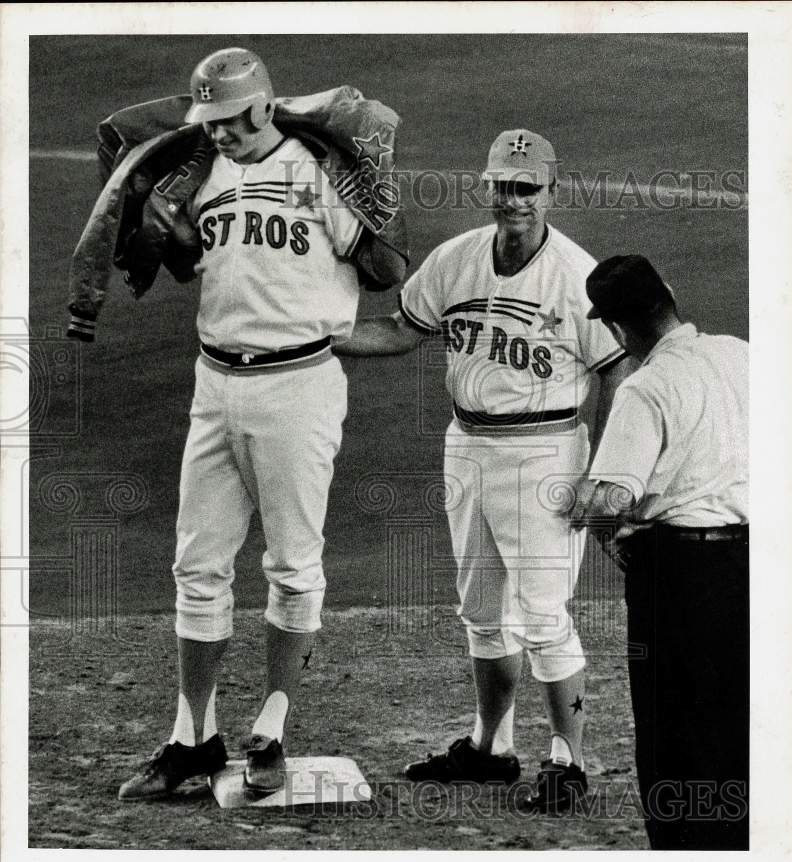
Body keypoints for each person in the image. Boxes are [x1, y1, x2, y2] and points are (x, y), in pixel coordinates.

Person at [335, 129, 636, 811]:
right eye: (503, 186)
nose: (514, 200)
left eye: (527, 188)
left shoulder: (575, 276)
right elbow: (402, 329)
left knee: (542, 614)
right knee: (480, 610)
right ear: (487, 187)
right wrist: (321, 334)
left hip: (547, 454)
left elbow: (621, 368)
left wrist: (606, 471)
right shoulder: (457, 259)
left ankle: (569, 762)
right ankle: (489, 748)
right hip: (467, 445)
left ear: (551, 192)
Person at [119, 48, 371, 800]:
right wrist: (162, 229)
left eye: (229, 120)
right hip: (214, 381)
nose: (218, 133)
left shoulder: (320, 171)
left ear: (263, 108)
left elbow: (383, 264)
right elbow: (191, 263)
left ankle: (272, 730)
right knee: (197, 566)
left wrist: (367, 213)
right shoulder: (202, 172)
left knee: (293, 565)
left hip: (299, 383)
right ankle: (190, 737)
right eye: (209, 122)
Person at [568, 254, 749, 849]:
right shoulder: (742, 354)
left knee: (675, 724)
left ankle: (689, 857)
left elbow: (613, 495)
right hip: (758, 563)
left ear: (618, 329)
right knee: (742, 711)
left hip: (680, 575)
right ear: (668, 294)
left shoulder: (646, 387)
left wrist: (595, 522)